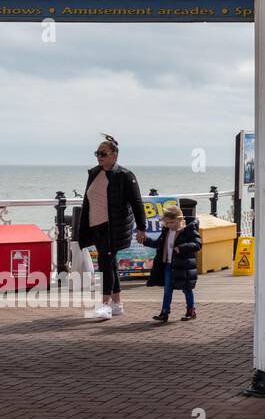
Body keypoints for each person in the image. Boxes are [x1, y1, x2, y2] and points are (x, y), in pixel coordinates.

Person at [76, 136, 147, 320]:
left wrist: (142, 228)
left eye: (103, 153)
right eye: (97, 153)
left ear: (114, 155)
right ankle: (117, 304)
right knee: (110, 263)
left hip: (112, 227)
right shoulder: (94, 173)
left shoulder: (125, 176)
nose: (99, 157)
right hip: (95, 225)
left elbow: (137, 203)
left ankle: (105, 304)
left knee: (105, 263)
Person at [140, 204, 202, 322]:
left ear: (180, 219)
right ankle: (164, 312)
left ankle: (191, 310)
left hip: (184, 265)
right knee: (167, 289)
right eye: (167, 223)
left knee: (186, 288)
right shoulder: (166, 231)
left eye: (172, 222)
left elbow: (198, 244)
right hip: (169, 264)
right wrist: (146, 241)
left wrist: (182, 248)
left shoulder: (189, 230)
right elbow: (159, 244)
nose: (170, 225)